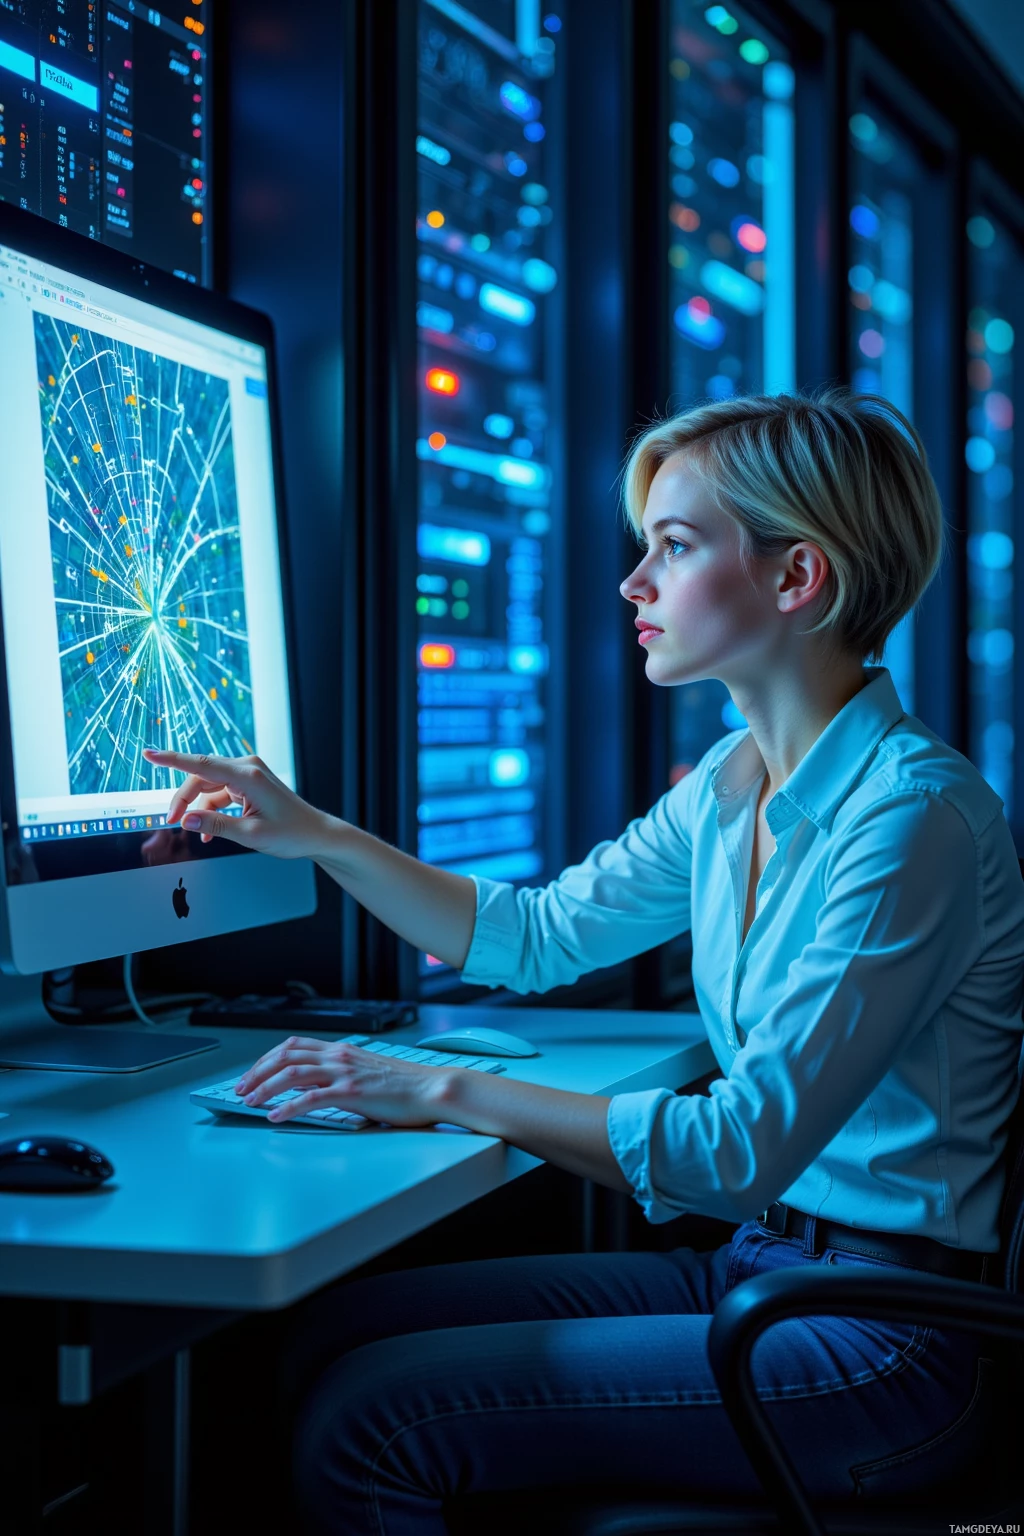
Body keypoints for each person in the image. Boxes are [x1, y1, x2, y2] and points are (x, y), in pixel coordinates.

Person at [144, 388, 1024, 1535]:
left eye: (673, 546)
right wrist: (311, 830)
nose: (632, 584)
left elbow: (740, 1148)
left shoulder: (913, 821)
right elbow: (537, 937)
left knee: (379, 1418)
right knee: (325, 1332)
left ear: (796, 579)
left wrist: (435, 1087)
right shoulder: (730, 784)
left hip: (883, 1342)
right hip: (767, 1272)